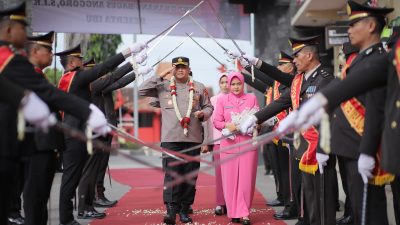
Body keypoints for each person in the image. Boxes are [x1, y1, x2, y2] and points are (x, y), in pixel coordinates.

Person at [291, 1, 398, 223]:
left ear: (370, 26)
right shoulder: (359, 60)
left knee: (370, 215)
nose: (348, 30)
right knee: (361, 212)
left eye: (353, 24)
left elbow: (374, 110)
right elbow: (338, 109)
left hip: (362, 149)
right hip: (349, 148)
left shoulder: (378, 59)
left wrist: (368, 152)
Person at [238, 35, 336, 225]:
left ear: (308, 55)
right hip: (304, 145)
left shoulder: (325, 79)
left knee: (322, 198)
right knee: (308, 195)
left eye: (297, 56)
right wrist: (255, 117)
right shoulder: (300, 80)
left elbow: (329, 118)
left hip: (320, 147)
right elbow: (281, 101)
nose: (294, 60)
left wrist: (324, 149)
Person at [56, 41, 146, 225]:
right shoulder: (76, 78)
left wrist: (133, 66)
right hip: (75, 135)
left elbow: (110, 77)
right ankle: (67, 218)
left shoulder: (73, 79)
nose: (82, 62)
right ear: (72, 63)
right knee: (72, 179)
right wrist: (128, 54)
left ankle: (73, 214)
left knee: (74, 178)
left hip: (79, 133)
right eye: (79, 59)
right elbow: (106, 70)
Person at [139, 56, 213, 225]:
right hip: (170, 139)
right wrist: (162, 73)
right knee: (172, 175)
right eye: (177, 67)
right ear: (173, 69)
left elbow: (209, 106)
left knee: (189, 176)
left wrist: (204, 113)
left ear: (188, 68)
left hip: (193, 139)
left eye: (183, 67)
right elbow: (142, 91)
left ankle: (185, 209)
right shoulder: (162, 86)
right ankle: (171, 210)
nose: (180, 70)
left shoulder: (199, 87)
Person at [213, 71, 259, 225]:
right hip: (229, 146)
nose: (236, 86)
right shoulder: (222, 100)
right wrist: (228, 125)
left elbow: (258, 118)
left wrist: (251, 125)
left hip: (247, 145)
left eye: (238, 83)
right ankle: (234, 212)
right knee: (230, 181)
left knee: (246, 180)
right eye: (233, 84)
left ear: (243, 83)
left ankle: (244, 213)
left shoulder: (251, 98)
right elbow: (216, 122)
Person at [203, 73, 229, 215]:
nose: (225, 85)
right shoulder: (213, 100)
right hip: (218, 142)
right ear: (219, 84)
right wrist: (207, 142)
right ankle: (220, 203)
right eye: (222, 82)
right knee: (220, 174)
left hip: (234, 142)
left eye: (227, 82)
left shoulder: (237, 99)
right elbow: (208, 123)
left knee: (233, 175)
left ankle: (232, 202)